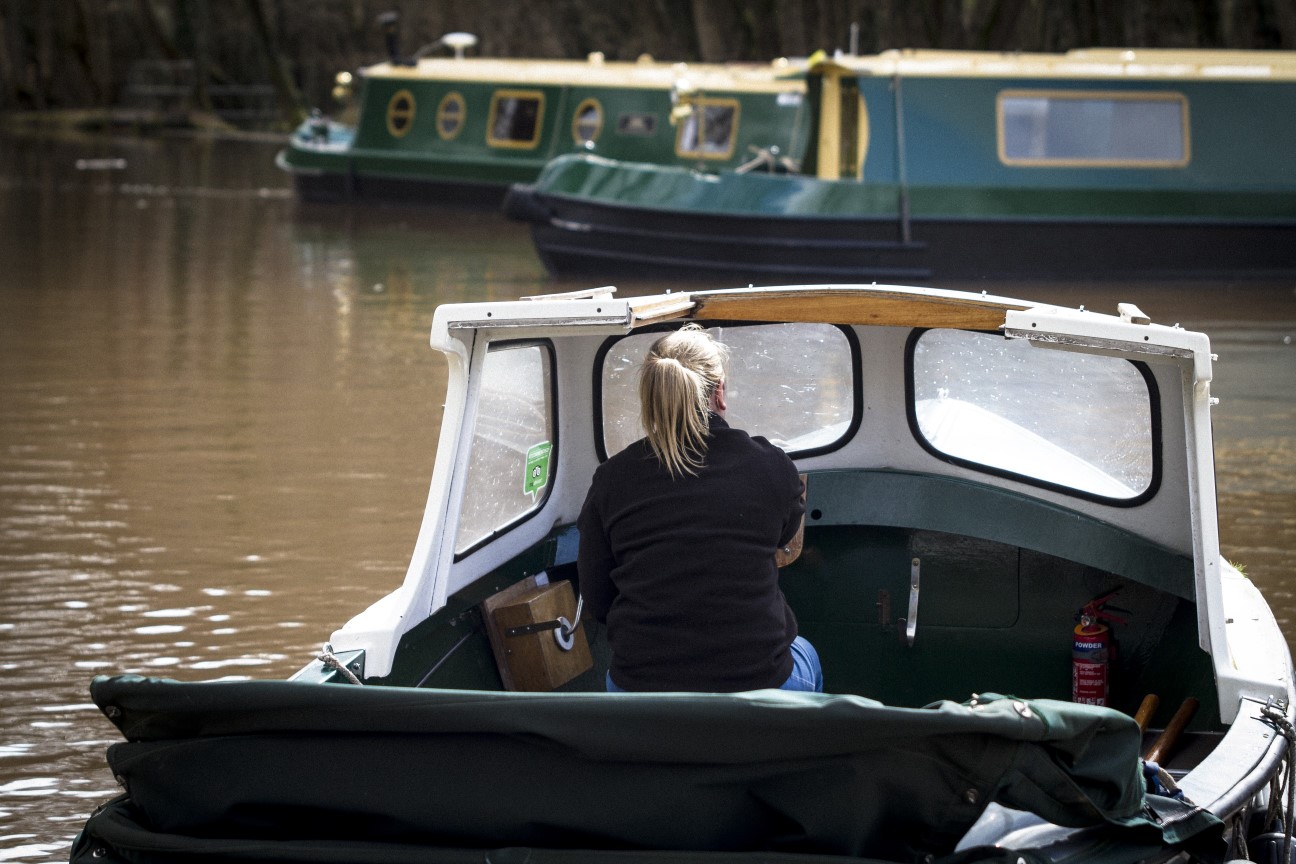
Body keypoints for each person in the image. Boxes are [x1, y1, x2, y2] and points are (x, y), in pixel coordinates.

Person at [577, 324, 823, 693]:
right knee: (807, 655)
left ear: (651, 396)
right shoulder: (770, 466)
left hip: (642, 688)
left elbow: (596, 599)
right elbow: (786, 530)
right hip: (757, 682)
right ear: (719, 393)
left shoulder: (612, 478)